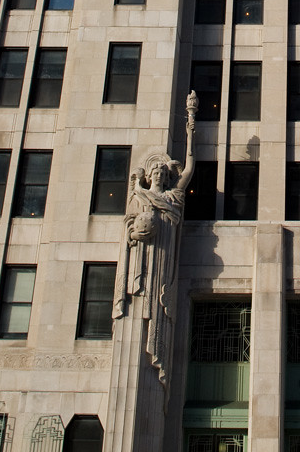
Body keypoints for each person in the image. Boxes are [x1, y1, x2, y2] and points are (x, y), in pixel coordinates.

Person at [113, 93, 197, 394]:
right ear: (150, 176)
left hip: (164, 261)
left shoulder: (173, 197)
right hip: (142, 258)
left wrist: (190, 127)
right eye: (156, 172)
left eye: (163, 171)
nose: (160, 175)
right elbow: (128, 225)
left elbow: (189, 168)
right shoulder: (139, 196)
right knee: (142, 306)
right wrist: (133, 234)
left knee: (159, 307)